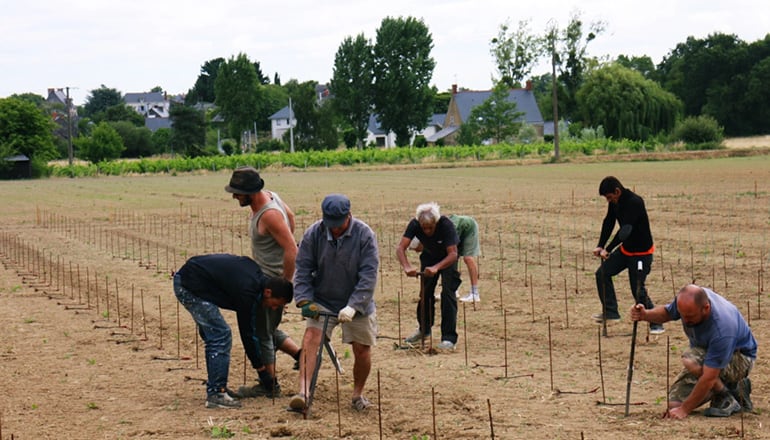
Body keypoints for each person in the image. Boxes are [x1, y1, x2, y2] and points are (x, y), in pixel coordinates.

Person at [290, 194, 380, 412]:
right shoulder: (314, 233)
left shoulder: (365, 235)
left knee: (362, 349)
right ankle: (303, 392)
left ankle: (357, 395)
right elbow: (302, 269)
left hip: (358, 301)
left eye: (339, 225)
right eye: (331, 225)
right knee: (311, 338)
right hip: (323, 299)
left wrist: (353, 306)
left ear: (348, 216)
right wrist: (304, 299)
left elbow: (368, 275)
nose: (335, 229)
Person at [173, 254, 294, 409]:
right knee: (220, 335)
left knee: (214, 335)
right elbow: (247, 334)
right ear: (268, 292)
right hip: (189, 285)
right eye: (276, 304)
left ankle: (216, 388)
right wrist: (262, 371)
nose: (275, 308)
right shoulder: (247, 292)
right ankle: (216, 393)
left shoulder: (256, 279)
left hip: (194, 277)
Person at [224, 166, 302, 396]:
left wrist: (284, 284)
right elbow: (292, 217)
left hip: (271, 281)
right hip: (266, 277)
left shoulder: (269, 214)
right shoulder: (272, 195)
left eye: (237, 192)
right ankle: (301, 355)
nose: (234, 196)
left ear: (250, 192)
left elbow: (292, 249)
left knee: (262, 334)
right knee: (267, 327)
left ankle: (270, 385)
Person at [630, 284, 756, 419]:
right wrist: (645, 315)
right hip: (706, 355)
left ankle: (726, 396)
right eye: (682, 315)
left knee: (691, 359)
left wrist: (684, 410)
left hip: (739, 358)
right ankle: (736, 389)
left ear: (706, 308)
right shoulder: (688, 301)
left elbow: (709, 378)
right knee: (674, 405)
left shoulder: (723, 329)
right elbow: (667, 313)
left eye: (689, 316)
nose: (685, 319)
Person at [592, 176, 664, 335]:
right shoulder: (615, 203)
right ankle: (611, 312)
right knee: (602, 273)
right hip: (626, 250)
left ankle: (656, 322)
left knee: (637, 289)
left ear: (617, 191)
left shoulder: (634, 202)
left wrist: (608, 249)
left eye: (609, 197)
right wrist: (600, 245)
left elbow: (625, 230)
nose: (608, 201)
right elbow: (609, 222)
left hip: (641, 254)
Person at [396, 202, 461, 350]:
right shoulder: (414, 224)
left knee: (447, 294)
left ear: (436, 223)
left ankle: (449, 338)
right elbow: (400, 248)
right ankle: (424, 330)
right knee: (425, 294)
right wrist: (406, 266)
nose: (427, 231)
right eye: (424, 228)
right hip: (429, 256)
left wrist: (437, 267)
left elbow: (453, 254)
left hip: (447, 259)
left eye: (430, 227)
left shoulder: (446, 225)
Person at [408, 213, 481, 303]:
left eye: (416, 249)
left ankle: (475, 293)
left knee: (467, 258)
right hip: (457, 231)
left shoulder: (446, 229)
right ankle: (454, 291)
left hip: (468, 228)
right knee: (449, 258)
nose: (416, 251)